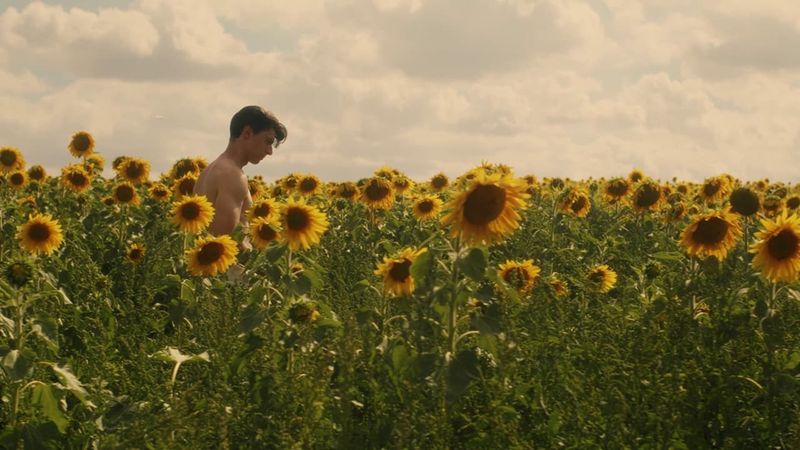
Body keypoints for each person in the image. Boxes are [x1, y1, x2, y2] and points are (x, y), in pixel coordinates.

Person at [194, 105, 287, 280]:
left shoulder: (209, 170)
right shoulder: (232, 175)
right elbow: (223, 243)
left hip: (205, 276)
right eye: (267, 141)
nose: (269, 151)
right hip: (225, 281)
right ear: (247, 133)